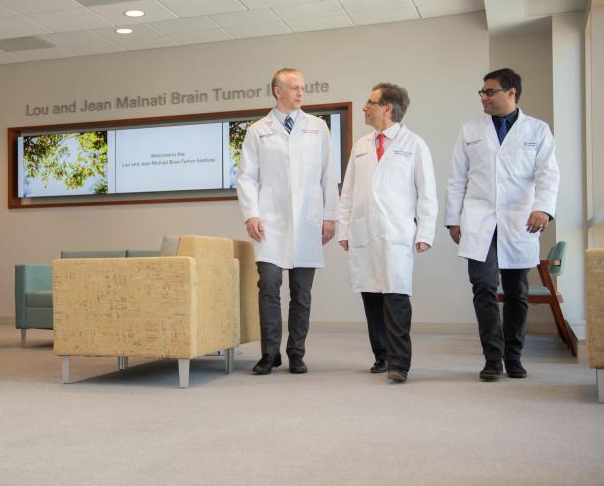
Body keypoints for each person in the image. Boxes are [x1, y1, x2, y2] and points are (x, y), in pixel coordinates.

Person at [445, 68, 560, 381]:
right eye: (482, 92)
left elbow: (548, 175)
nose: (484, 97)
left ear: (511, 93)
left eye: (490, 91)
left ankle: (514, 356)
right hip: (479, 218)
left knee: (516, 292)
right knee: (482, 286)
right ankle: (492, 357)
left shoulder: (537, 130)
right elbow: (457, 179)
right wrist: (453, 220)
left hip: (520, 219)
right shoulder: (470, 130)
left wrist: (543, 209)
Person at [236, 68, 338, 375]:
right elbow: (247, 177)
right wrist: (251, 213)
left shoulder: (318, 128)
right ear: (278, 91)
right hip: (270, 221)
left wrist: (330, 215)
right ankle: (270, 353)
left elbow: (328, 174)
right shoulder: (258, 130)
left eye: (302, 88)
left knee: (301, 293)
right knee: (268, 285)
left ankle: (296, 352)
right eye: (294, 87)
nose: (300, 93)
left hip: (307, 220)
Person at [336, 83, 437, 383]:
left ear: (388, 108)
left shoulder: (414, 144)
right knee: (371, 294)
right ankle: (381, 356)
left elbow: (427, 193)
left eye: (370, 102)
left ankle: (399, 363)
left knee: (395, 296)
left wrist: (425, 233)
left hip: (397, 231)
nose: (365, 107)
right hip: (365, 229)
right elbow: (348, 191)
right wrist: (344, 227)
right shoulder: (362, 145)